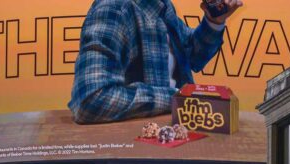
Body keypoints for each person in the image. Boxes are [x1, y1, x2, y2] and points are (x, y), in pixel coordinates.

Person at [69, 0, 243, 124]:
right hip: (136, 155)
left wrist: (214, 22)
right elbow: (91, 99)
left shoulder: (161, 6)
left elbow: (192, 57)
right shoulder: (113, 9)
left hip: (175, 138)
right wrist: (177, 98)